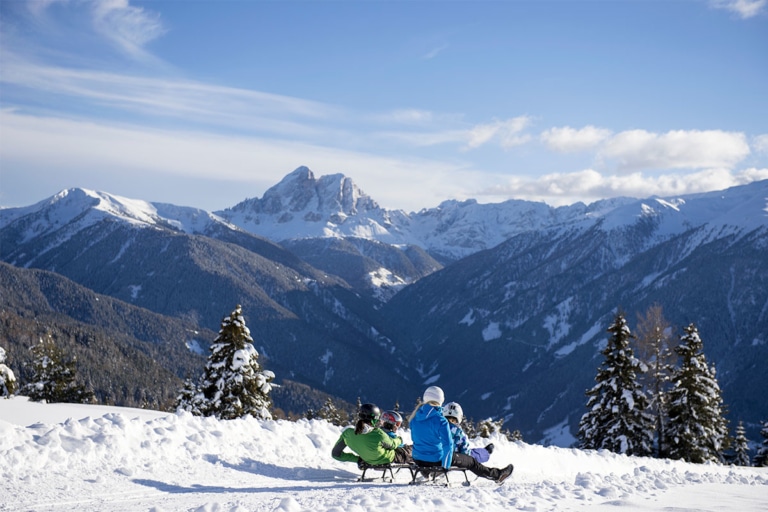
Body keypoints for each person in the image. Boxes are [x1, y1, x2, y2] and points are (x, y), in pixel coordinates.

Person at [408, 386, 514, 484]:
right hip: (436, 461)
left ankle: (428, 473)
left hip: (418, 460)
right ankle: (497, 475)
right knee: (471, 461)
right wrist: (445, 466)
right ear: (441, 400)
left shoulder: (414, 419)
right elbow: (448, 445)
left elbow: (416, 440)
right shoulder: (441, 420)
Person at [331, 403, 412, 467]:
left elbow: (336, 454)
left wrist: (359, 459)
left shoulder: (348, 433)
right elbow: (393, 445)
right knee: (412, 449)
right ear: (375, 419)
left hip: (366, 460)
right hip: (388, 459)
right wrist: (399, 439)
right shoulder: (378, 434)